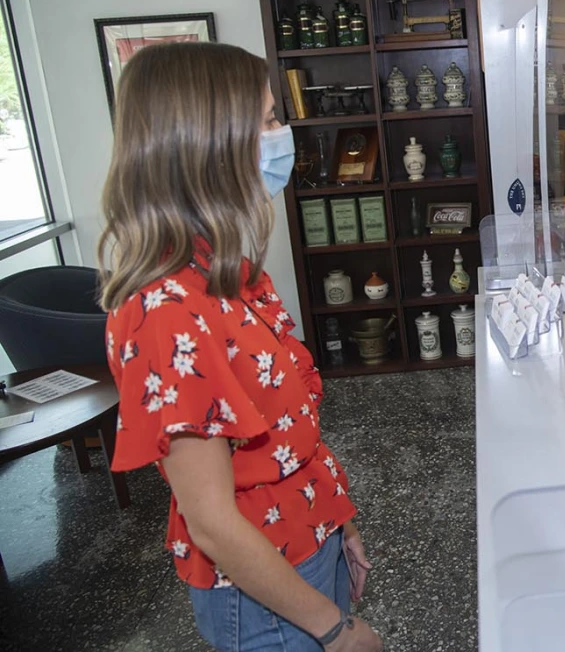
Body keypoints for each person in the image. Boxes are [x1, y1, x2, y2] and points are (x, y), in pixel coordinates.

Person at [97, 42, 384, 652]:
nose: (282, 135)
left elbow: (291, 433)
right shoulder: (163, 314)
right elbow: (215, 522)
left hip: (306, 543)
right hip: (266, 598)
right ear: (208, 144)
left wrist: (338, 522)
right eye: (268, 120)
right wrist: (333, 628)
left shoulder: (230, 275)